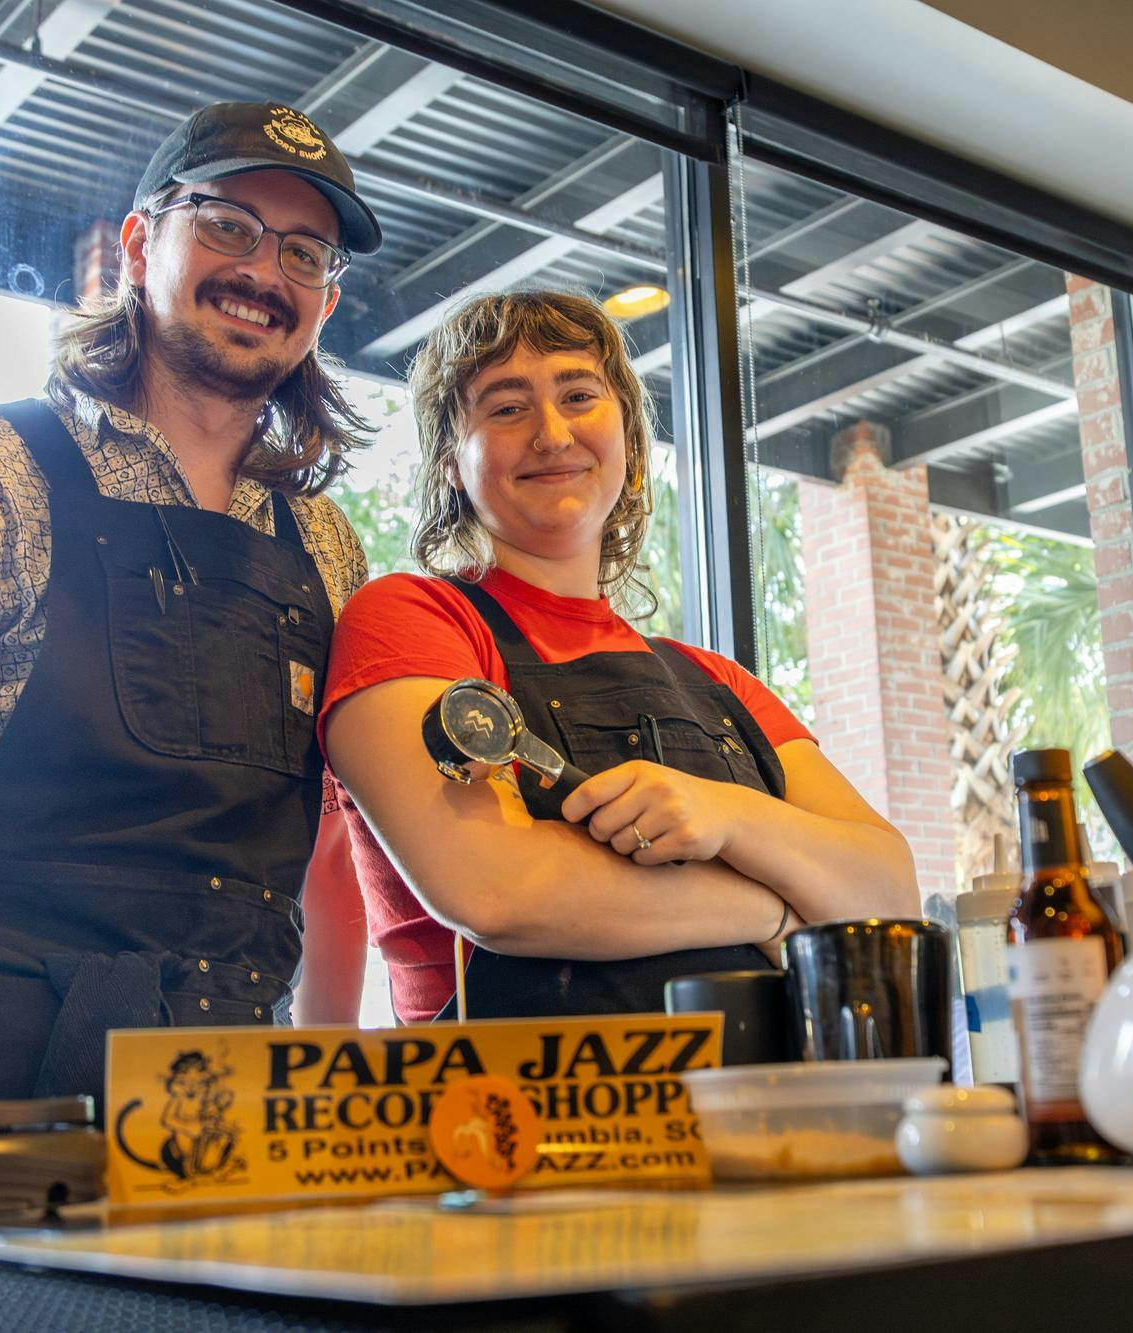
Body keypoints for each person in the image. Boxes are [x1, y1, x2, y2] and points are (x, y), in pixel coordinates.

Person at [0, 101, 382, 1108]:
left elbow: (329, 851)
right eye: (228, 225)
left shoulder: (325, 547)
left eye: (304, 253)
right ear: (138, 245)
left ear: (325, 301)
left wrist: (318, 1109)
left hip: (215, 1120)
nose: (265, 272)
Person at [323, 290, 919, 1023]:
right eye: (507, 408)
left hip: (762, 1088)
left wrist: (728, 814)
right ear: (451, 461)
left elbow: (889, 894)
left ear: (630, 444)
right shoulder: (412, 619)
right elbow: (498, 891)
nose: (551, 434)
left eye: (579, 396)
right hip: (513, 1091)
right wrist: (771, 910)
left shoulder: (718, 681)